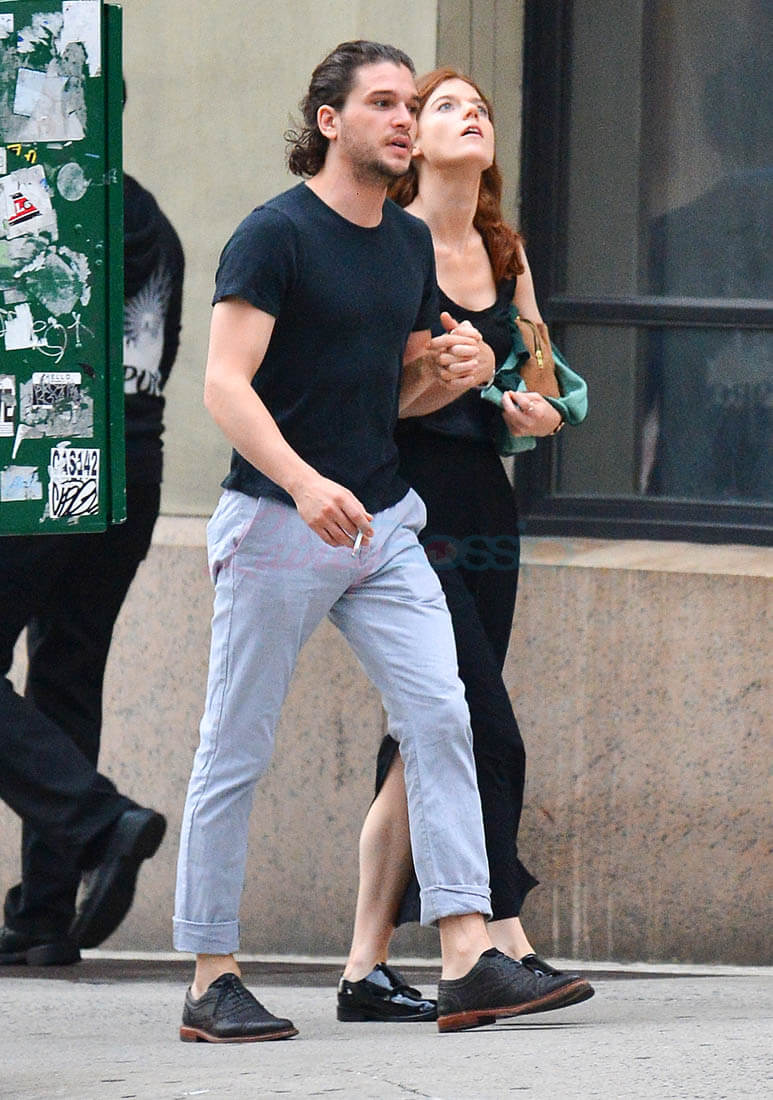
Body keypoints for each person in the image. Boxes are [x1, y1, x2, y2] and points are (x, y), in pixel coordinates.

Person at [173, 40, 589, 1043]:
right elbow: (224, 384)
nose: (403, 120)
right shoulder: (274, 235)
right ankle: (210, 975)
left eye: (411, 105)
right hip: (278, 522)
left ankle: (464, 953)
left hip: (385, 522)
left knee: (442, 716)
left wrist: (451, 370)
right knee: (236, 744)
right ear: (329, 121)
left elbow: (397, 393)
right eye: (384, 104)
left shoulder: (403, 245)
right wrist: (302, 480)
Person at [337, 68, 593, 1023]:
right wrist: (451, 377)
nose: (468, 114)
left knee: (421, 740)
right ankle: (500, 940)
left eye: (477, 105)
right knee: (480, 722)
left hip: (485, 507)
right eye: (444, 104)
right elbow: (372, 398)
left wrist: (535, 409)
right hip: (408, 506)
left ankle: (362, 971)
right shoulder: (388, 245)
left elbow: (539, 383)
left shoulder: (503, 248)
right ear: (413, 139)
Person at [0, 166, 184, 965]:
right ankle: (44, 914)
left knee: (64, 672)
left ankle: (100, 824)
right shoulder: (146, 215)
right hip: (132, 464)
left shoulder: (25, 200)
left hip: (45, 455)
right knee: (67, 676)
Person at [0, 674, 166, 962]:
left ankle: (98, 825)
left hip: (94, 820)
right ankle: (42, 913)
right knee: (67, 686)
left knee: (66, 684)